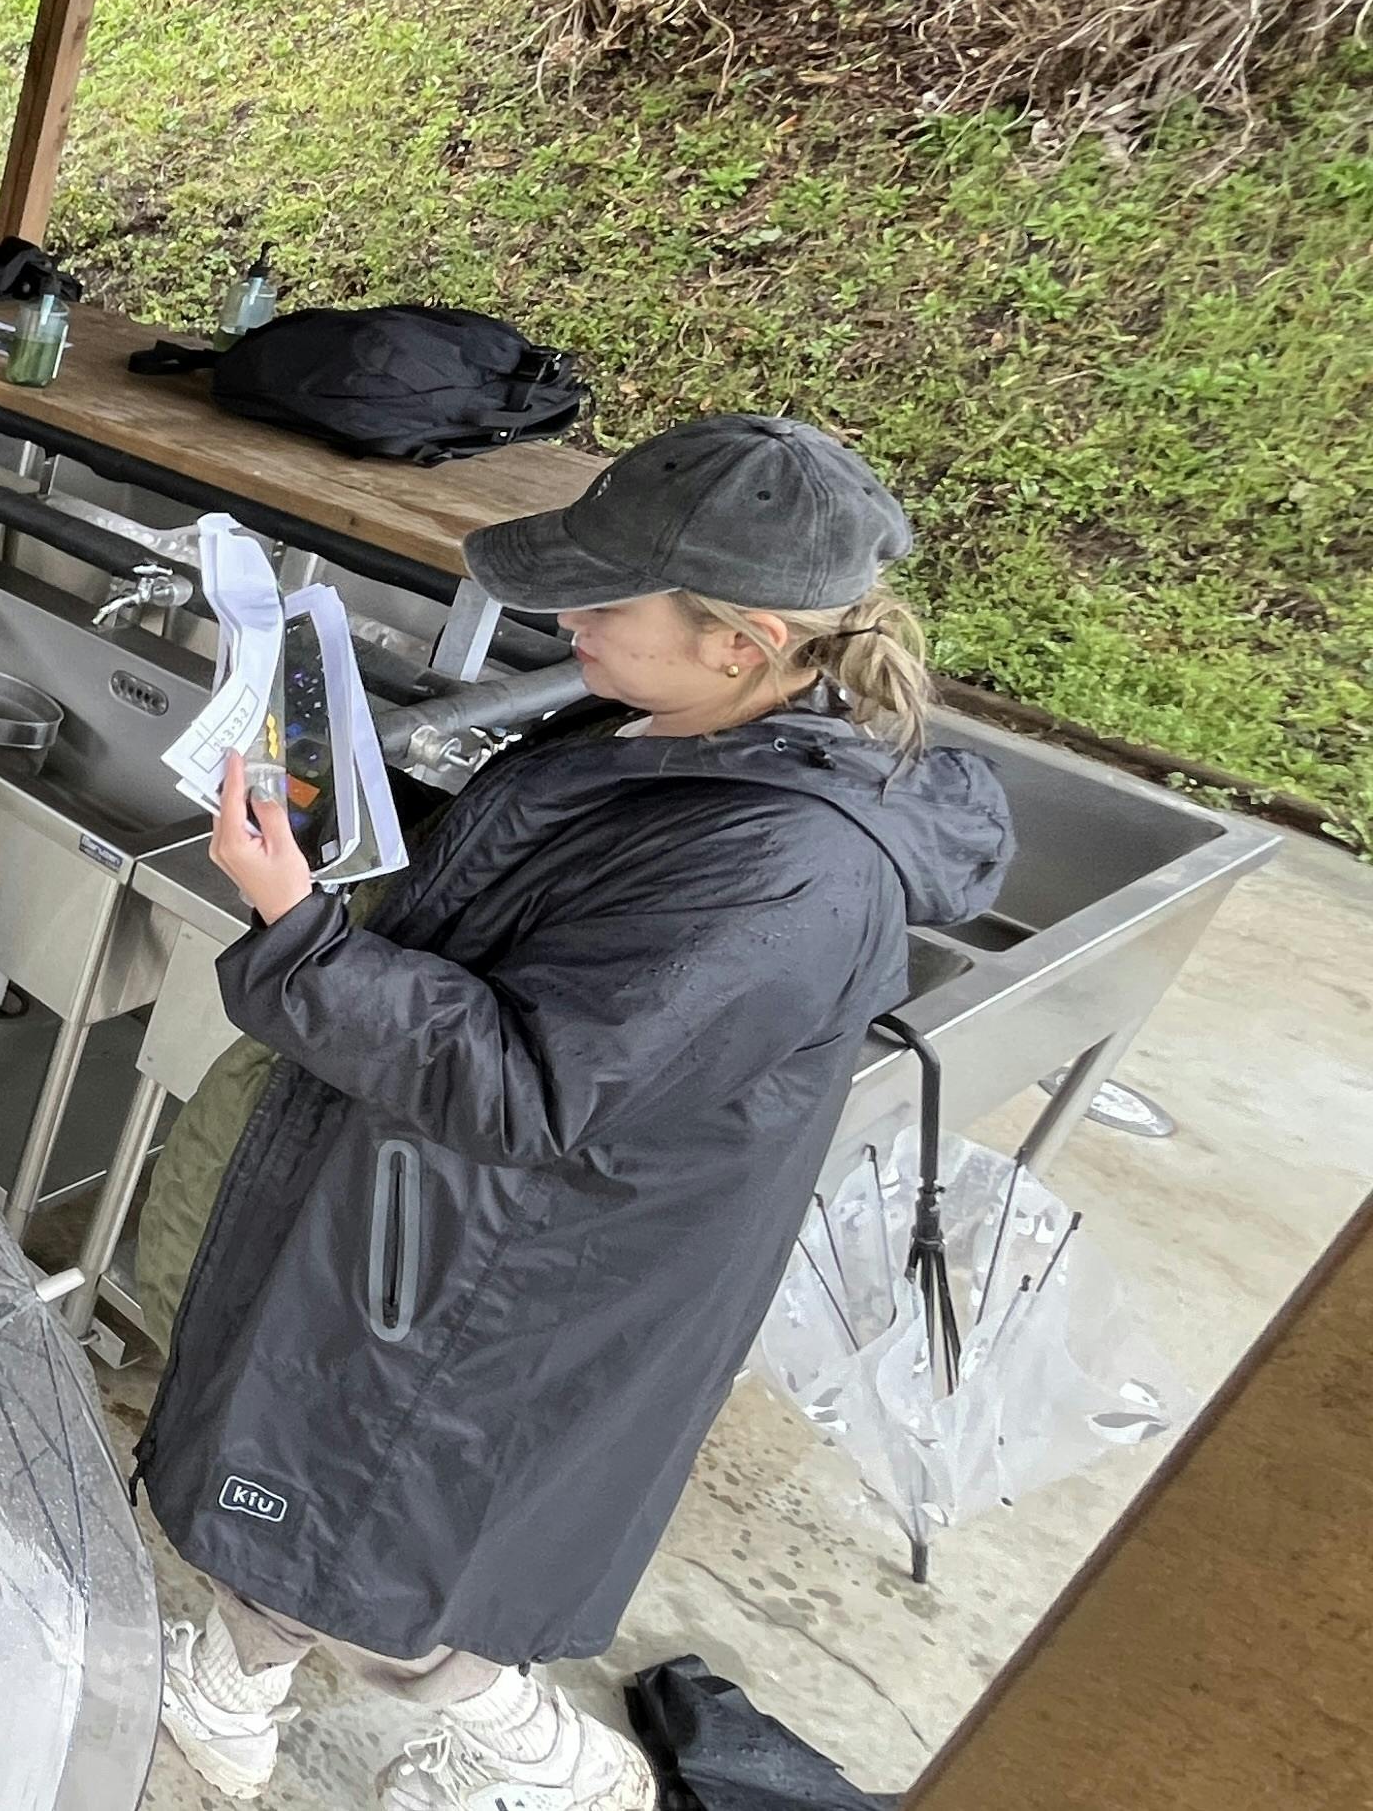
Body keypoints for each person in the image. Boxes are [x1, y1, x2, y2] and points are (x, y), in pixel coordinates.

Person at [143, 415, 1018, 1811]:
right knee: (342, 1467)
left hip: (512, 1249)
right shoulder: (687, 728)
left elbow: (530, 1083)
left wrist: (297, 931)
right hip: (448, 1202)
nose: (569, 623)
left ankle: (476, 1726)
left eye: (608, 602)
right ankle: (273, 1673)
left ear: (742, 642)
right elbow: (548, 910)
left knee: (371, 1492)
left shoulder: (787, 866)